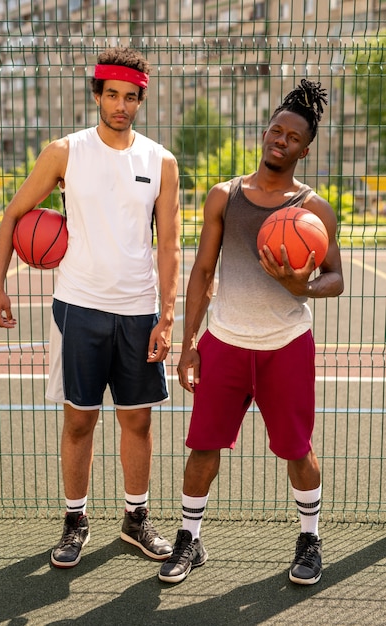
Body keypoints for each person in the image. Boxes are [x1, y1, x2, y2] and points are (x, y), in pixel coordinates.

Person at [0, 47, 181, 568]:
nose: (121, 105)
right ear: (96, 94)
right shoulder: (64, 152)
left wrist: (168, 315)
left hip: (140, 310)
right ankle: (75, 521)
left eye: (131, 97)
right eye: (112, 95)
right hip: (79, 307)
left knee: (137, 422)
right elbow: (13, 215)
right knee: (80, 421)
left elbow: (169, 245)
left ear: (141, 99)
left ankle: (135, 519)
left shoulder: (160, 161)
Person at [158, 79, 344, 585]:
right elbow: (201, 272)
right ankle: (189, 540)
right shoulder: (226, 196)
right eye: (275, 130)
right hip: (225, 341)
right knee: (203, 448)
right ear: (265, 133)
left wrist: (299, 286)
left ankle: (310, 538)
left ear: (305, 149)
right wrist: (190, 344)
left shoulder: (313, 209)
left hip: (285, 345)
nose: (280, 140)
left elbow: (336, 278)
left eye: (292, 137)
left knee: (297, 450)